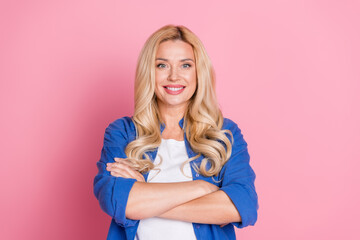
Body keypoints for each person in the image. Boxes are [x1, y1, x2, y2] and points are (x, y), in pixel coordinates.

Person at [93, 25, 258, 240]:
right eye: (162, 65)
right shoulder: (122, 132)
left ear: (199, 72)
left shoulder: (224, 134)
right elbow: (117, 201)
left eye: (185, 65)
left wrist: (146, 193)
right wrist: (201, 188)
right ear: (149, 72)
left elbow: (242, 206)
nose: (174, 76)